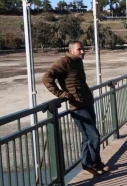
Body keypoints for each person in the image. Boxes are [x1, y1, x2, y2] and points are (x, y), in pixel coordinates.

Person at [42, 41, 111, 176]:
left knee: (87, 137)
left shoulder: (77, 62)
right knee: (94, 136)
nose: (82, 51)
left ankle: (89, 165)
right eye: (79, 49)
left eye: (83, 49)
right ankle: (93, 163)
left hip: (87, 102)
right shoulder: (65, 62)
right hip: (78, 106)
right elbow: (46, 78)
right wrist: (60, 94)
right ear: (71, 50)